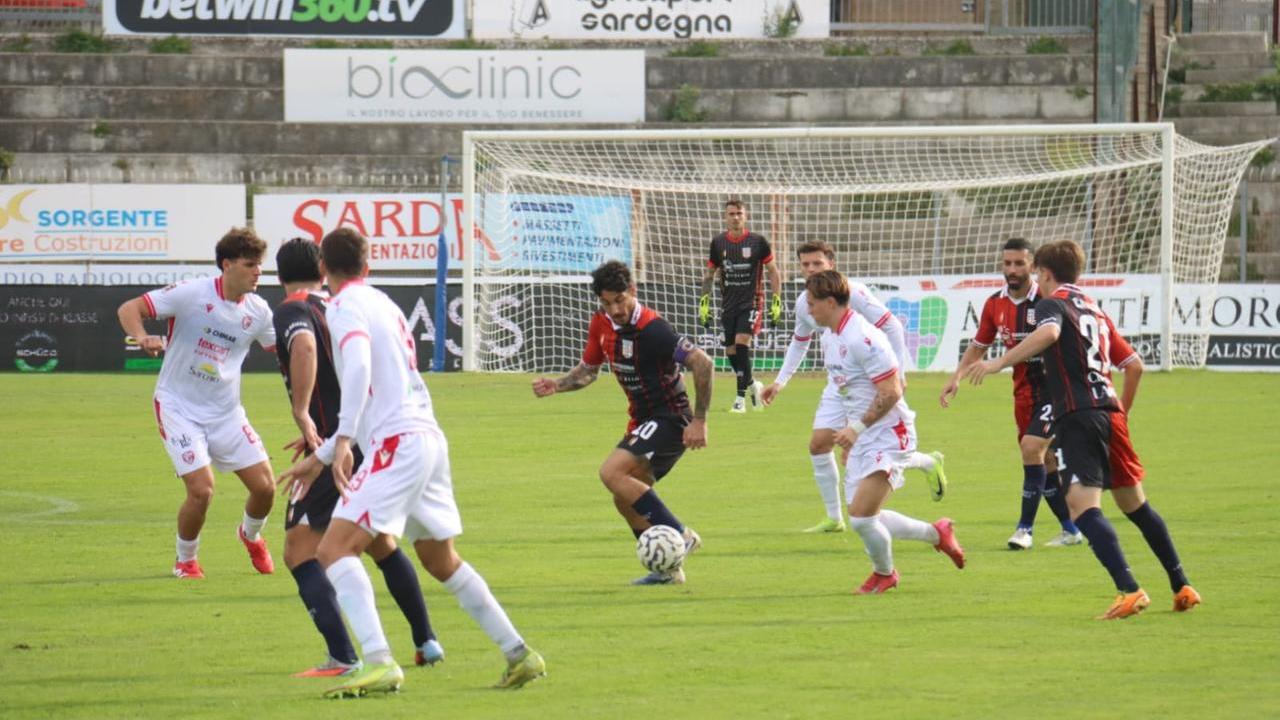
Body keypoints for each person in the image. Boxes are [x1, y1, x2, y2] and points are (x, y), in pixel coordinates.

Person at [277, 228, 544, 698]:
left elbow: (359, 367)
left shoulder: (343, 306)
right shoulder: (386, 303)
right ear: (368, 264)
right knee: (440, 559)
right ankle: (519, 652)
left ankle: (379, 662)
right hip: (427, 437)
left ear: (324, 269)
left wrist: (340, 440)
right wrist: (321, 456)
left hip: (396, 442)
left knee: (333, 550)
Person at [965, 239, 1201, 619]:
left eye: (1037, 275)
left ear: (1043, 273)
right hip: (1110, 413)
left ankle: (1129, 590)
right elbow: (1135, 365)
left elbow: (1048, 335)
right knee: (1135, 505)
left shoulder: (1051, 303)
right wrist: (1122, 411)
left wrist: (997, 364)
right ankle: (1182, 584)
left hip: (1077, 414)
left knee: (1081, 508)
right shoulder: (1095, 308)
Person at [271, 238, 443, 677]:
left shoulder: (293, 310)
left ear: (279, 276)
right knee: (380, 543)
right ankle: (426, 639)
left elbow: (306, 348)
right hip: (368, 434)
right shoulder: (341, 304)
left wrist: (303, 414)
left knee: (299, 550)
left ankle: (344, 656)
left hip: (338, 444)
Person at [533, 260, 714, 585]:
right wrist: (557, 385)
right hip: (643, 421)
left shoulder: (653, 328)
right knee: (623, 495)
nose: (614, 309)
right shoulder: (601, 325)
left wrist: (699, 420)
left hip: (671, 418)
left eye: (619, 300)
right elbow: (589, 371)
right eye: (607, 303)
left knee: (610, 472)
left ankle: (679, 534)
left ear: (632, 290)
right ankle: (667, 572)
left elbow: (703, 363)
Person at [116, 227, 277, 580]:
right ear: (227, 265)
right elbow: (130, 308)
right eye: (251, 265)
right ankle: (185, 560)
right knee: (202, 490)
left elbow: (281, 348)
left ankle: (250, 535)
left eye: (260, 266)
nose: (258, 272)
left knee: (266, 487)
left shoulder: (259, 311)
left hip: (226, 413)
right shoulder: (191, 293)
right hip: (179, 408)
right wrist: (142, 337)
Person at [761, 241, 946, 534]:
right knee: (819, 444)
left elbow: (892, 326)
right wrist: (780, 382)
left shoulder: (854, 293)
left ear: (831, 264)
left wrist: (899, 374)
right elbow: (800, 342)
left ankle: (925, 463)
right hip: (838, 381)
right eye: (805, 264)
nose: (810, 269)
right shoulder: (804, 303)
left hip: (871, 378)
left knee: (877, 444)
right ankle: (834, 518)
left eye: (817, 264)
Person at [804, 270, 965, 594]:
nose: (808, 310)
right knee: (864, 514)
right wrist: (854, 435)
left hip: (891, 431)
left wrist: (858, 428)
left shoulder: (862, 338)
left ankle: (885, 574)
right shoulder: (831, 335)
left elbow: (892, 391)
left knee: (862, 518)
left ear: (831, 302)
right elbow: (851, 390)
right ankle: (938, 534)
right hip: (865, 433)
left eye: (812, 304)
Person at [941, 238, 1083, 550]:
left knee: (1031, 449)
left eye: (1019, 263)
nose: (1012, 270)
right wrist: (957, 377)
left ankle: (1024, 530)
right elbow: (979, 346)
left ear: (1033, 266)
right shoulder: (995, 304)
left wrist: (999, 363)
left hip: (1056, 392)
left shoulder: (1048, 300)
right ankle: (1071, 529)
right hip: (1023, 395)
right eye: (1007, 263)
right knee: (1043, 461)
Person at [699, 199, 782, 413]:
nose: (735, 217)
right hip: (729, 304)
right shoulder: (718, 243)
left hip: (752, 302)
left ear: (746, 216)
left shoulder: (758, 242)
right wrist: (704, 302)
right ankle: (753, 384)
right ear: (725, 217)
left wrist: (776, 300)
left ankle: (740, 399)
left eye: (739, 213)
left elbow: (772, 271)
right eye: (731, 214)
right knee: (731, 351)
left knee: (742, 343)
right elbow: (710, 273)